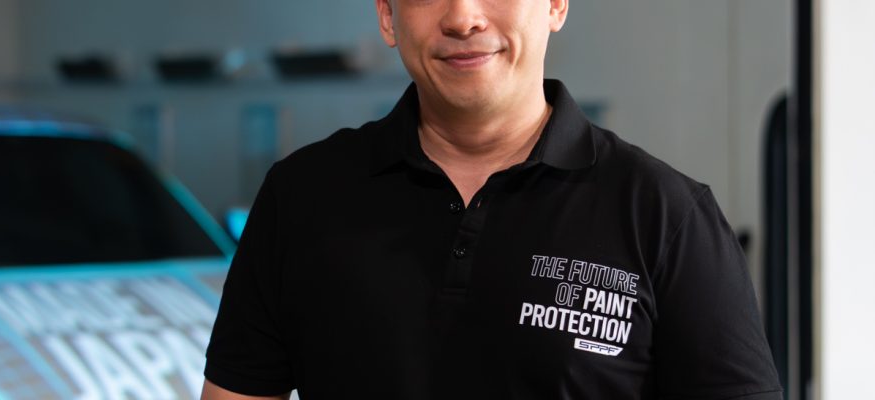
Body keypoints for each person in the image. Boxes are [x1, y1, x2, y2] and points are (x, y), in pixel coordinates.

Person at [202, 0, 782, 398]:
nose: (463, 17)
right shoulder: (301, 197)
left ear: (556, 4)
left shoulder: (666, 216)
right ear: (386, 14)